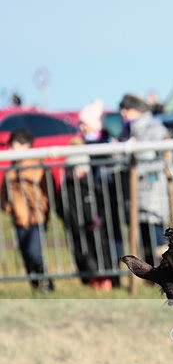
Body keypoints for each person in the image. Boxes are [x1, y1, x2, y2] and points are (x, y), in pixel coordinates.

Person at [58, 99, 121, 290]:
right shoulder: (81, 144)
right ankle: (98, 277)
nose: (81, 127)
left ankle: (113, 277)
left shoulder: (106, 141)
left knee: (109, 239)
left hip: (105, 198)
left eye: (84, 123)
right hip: (90, 199)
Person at [118, 93, 170, 265]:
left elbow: (163, 158)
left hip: (152, 191)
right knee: (144, 237)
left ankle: (163, 268)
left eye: (126, 109)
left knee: (157, 235)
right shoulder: (127, 131)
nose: (123, 113)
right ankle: (150, 272)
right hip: (135, 193)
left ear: (136, 109)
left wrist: (136, 167)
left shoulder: (154, 128)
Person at [0, 129, 53, 292]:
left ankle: (47, 282)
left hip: (36, 217)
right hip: (19, 217)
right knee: (25, 253)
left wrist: (42, 208)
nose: (11, 149)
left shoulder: (36, 165)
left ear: (26, 145)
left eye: (14, 145)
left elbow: (44, 190)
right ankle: (36, 285)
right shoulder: (12, 168)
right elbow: (4, 191)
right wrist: (7, 205)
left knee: (34, 252)